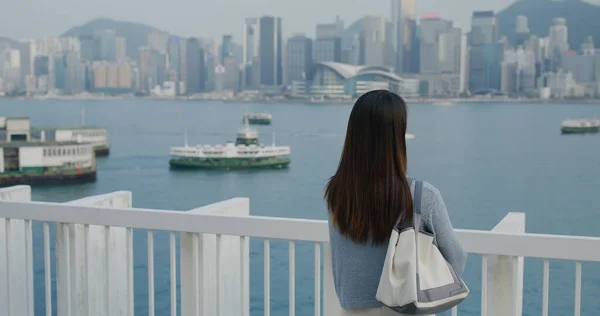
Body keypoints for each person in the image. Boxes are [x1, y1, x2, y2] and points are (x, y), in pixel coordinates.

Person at [324, 90, 467, 316]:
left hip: (353, 309)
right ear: (397, 136)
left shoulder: (336, 193)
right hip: (407, 308)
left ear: (353, 134)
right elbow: (456, 258)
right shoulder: (422, 196)